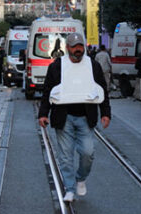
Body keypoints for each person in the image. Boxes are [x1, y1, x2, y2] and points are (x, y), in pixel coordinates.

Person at [38, 32, 111, 202]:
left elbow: (102, 90)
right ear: (67, 48)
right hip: (63, 117)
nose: (78, 50)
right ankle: (69, 188)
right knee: (65, 156)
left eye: (80, 46)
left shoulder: (93, 66)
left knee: (88, 152)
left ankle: (81, 178)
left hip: (86, 116)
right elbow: (47, 91)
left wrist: (106, 113)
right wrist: (43, 113)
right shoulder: (56, 66)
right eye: (74, 47)